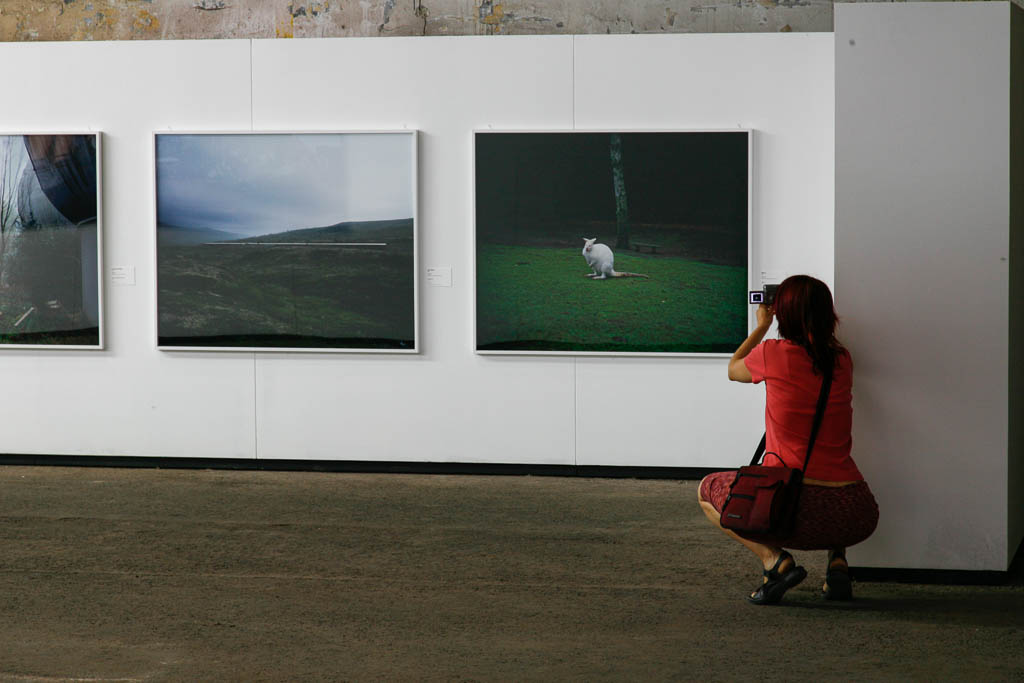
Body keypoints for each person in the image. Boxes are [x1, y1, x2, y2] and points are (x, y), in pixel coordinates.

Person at [698, 275, 878, 605]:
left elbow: (733, 368)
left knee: (707, 490)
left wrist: (762, 326)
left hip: (789, 511)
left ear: (784, 313)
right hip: (854, 513)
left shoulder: (772, 353)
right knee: (834, 467)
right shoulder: (843, 360)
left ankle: (776, 562)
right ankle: (837, 562)